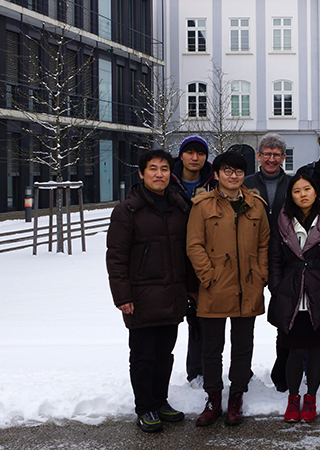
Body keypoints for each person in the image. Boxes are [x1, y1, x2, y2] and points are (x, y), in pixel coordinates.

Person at [107, 149, 193, 433]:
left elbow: (188, 252)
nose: (160, 174)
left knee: (165, 354)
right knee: (143, 356)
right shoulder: (127, 210)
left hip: (172, 294)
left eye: (165, 168)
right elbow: (116, 256)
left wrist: (191, 288)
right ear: (141, 173)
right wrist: (123, 296)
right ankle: (145, 407)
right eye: (153, 169)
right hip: (141, 298)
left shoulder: (179, 206)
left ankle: (161, 400)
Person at [186, 151, 270, 427]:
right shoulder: (202, 205)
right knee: (212, 348)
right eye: (227, 171)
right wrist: (207, 276)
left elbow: (264, 244)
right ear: (218, 174)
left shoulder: (256, 204)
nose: (233, 176)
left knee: (243, 346)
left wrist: (261, 274)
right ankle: (213, 398)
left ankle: (236, 396)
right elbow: (194, 244)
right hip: (214, 286)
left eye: (238, 171)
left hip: (248, 285)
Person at [269, 174, 320, 423]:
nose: (303, 194)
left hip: (319, 293)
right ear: (290, 195)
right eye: (297, 191)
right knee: (294, 349)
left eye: (307, 189)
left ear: (316, 192)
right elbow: (274, 259)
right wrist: (278, 286)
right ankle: (293, 398)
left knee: (314, 349)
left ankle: (310, 398)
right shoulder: (282, 221)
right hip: (291, 293)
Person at [243, 132, 291, 393]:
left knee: (284, 316)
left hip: (284, 260)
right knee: (246, 316)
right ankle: (243, 370)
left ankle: (282, 369)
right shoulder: (246, 184)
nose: (271, 159)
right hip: (250, 258)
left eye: (276, 154)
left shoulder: (293, 184)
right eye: (267, 154)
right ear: (258, 156)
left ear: (283, 157)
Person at [169, 135, 216, 390]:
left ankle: (197, 371)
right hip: (173, 257)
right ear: (182, 155)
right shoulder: (168, 180)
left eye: (200, 153)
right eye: (190, 153)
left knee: (202, 321)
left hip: (203, 258)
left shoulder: (213, 182)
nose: (195, 158)